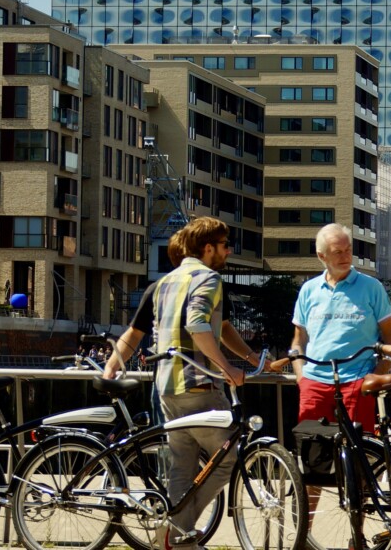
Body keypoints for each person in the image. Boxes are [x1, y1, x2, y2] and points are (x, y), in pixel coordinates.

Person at [103, 217, 264, 550]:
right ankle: (179, 528)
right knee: (228, 459)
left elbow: (135, 333)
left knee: (181, 466)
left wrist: (111, 366)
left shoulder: (163, 283)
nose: (228, 251)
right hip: (200, 385)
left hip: (165, 387)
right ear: (208, 248)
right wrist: (227, 368)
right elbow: (198, 325)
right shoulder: (209, 278)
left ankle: (178, 540)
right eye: (224, 245)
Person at [290, 223, 391, 430]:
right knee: (313, 451)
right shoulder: (308, 290)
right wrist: (300, 377)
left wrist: (375, 375)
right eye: (338, 252)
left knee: (358, 451)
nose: (345, 256)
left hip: (357, 382)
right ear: (322, 256)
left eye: (348, 250)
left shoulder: (372, 287)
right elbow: (299, 339)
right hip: (314, 383)